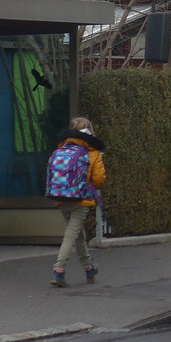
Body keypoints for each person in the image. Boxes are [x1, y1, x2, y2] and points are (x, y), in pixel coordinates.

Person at [48, 116, 106, 288]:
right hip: (81, 198)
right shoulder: (93, 152)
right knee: (72, 233)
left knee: (78, 234)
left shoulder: (60, 149)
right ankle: (58, 269)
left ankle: (89, 268)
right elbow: (99, 180)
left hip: (61, 197)